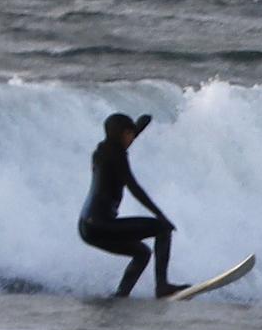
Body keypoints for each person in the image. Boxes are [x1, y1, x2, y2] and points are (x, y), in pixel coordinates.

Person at [79, 112, 186, 297]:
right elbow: (134, 188)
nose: (132, 137)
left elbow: (127, 136)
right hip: (101, 224)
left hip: (87, 227)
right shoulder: (116, 156)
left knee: (142, 253)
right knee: (162, 229)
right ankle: (162, 287)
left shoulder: (102, 151)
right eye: (129, 134)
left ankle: (121, 295)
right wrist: (161, 215)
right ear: (122, 134)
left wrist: (139, 126)